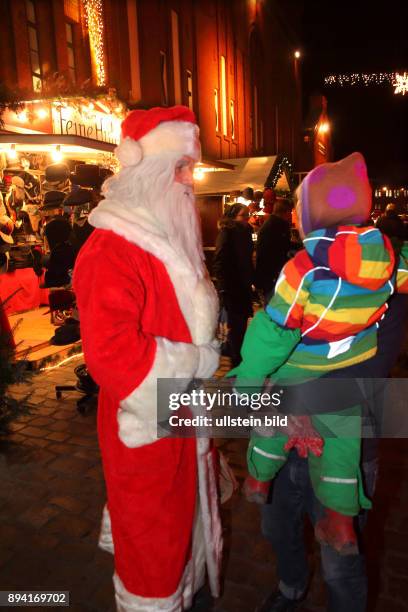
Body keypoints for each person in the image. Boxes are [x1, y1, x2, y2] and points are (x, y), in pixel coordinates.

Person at [73, 105, 222, 611]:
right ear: (150, 170)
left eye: (190, 168)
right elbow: (113, 354)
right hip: (148, 437)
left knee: (186, 551)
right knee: (154, 566)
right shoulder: (110, 249)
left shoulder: (169, 238)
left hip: (183, 428)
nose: (189, 181)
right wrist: (197, 364)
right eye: (180, 168)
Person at [229, 152, 408, 552]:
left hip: (303, 363)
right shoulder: (387, 260)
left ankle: (258, 477)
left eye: (297, 208)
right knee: (343, 442)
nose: (293, 216)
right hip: (348, 369)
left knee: (271, 413)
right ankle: (342, 522)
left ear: (315, 214)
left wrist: (247, 382)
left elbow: (272, 331)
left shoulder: (305, 268)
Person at [213, 203, 254, 367]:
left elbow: (247, 259)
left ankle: (237, 356)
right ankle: (235, 360)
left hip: (243, 285)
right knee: (235, 324)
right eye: (243, 215)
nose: (247, 218)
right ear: (233, 216)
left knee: (241, 323)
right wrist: (223, 286)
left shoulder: (246, 232)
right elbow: (219, 260)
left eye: (247, 215)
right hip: (232, 286)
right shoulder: (227, 232)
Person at [255, 198, 293, 303]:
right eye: (290, 212)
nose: (290, 215)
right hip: (272, 274)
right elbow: (279, 249)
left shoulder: (272, 224)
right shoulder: (276, 226)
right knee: (274, 304)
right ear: (285, 212)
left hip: (269, 274)